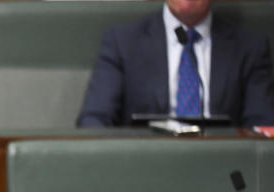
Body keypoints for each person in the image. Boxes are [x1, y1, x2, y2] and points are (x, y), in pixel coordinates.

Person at [76, 0, 274, 127]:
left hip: (222, 172)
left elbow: (262, 127)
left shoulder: (250, 48)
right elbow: (94, 120)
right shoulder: (122, 42)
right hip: (141, 173)